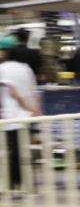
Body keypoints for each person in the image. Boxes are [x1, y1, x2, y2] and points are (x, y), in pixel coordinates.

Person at [0, 36, 39, 192]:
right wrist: (34, 110)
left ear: (5, 51)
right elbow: (34, 91)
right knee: (20, 150)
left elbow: (14, 94)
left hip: (9, 116)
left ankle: (13, 182)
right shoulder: (25, 68)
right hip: (26, 116)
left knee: (13, 152)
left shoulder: (3, 69)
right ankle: (19, 181)